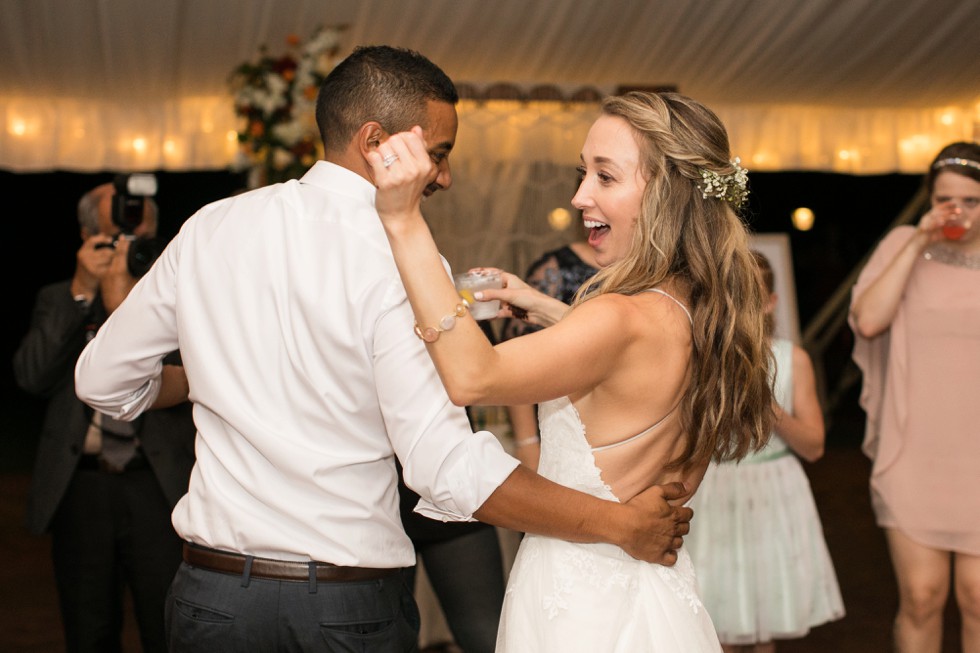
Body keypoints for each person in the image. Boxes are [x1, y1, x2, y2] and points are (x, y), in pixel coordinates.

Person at [73, 45, 693, 653]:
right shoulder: (401, 259)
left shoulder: (211, 226)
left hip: (211, 598)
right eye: (440, 153)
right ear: (376, 142)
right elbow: (446, 467)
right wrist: (619, 525)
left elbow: (102, 381)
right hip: (340, 609)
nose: (445, 176)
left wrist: (192, 379)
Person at [371, 90, 774, 652]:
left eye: (605, 177)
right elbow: (628, 368)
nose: (580, 194)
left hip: (579, 610)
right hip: (647, 596)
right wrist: (544, 306)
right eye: (582, 173)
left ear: (667, 195)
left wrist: (403, 220)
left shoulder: (619, 317)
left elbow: (472, 376)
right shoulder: (696, 310)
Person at [12, 183, 195, 653]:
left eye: (142, 241)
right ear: (87, 238)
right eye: (117, 241)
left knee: (167, 622)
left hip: (159, 485)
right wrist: (82, 291)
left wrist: (130, 304)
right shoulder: (61, 298)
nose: (129, 253)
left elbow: (194, 376)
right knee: (88, 625)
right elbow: (32, 376)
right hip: (83, 487)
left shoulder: (183, 299)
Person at [849, 140, 980, 652]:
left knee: (976, 597)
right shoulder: (904, 241)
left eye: (972, 201)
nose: (958, 212)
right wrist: (915, 242)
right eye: (947, 199)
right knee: (923, 596)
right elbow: (869, 319)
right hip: (915, 449)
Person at [687, 251, 845, 652]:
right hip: (714, 491)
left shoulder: (793, 359)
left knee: (765, 615)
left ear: (771, 303)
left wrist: (767, 403)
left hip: (773, 491)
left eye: (751, 295)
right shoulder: (697, 356)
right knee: (711, 616)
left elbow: (814, 446)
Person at [500, 233, 598, 469]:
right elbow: (519, 362)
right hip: (568, 437)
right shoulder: (555, 269)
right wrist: (527, 442)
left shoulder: (667, 271)